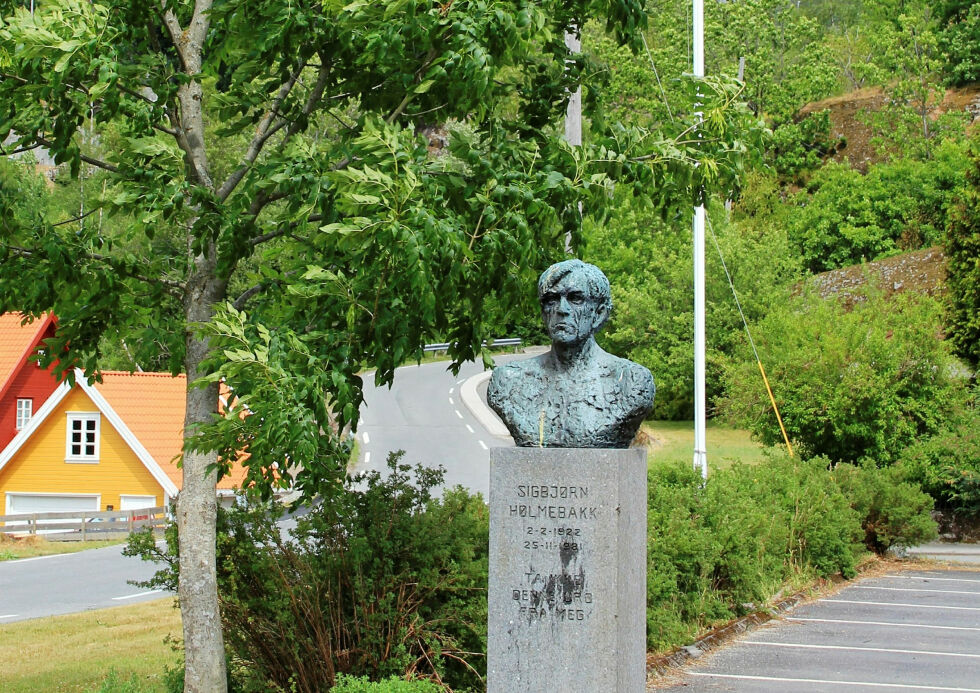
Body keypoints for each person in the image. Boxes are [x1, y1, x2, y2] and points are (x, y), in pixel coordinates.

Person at [487, 259, 654, 448]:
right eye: (551, 300)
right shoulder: (510, 382)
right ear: (543, 313)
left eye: (576, 299)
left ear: (598, 313)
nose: (562, 310)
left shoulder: (630, 382)